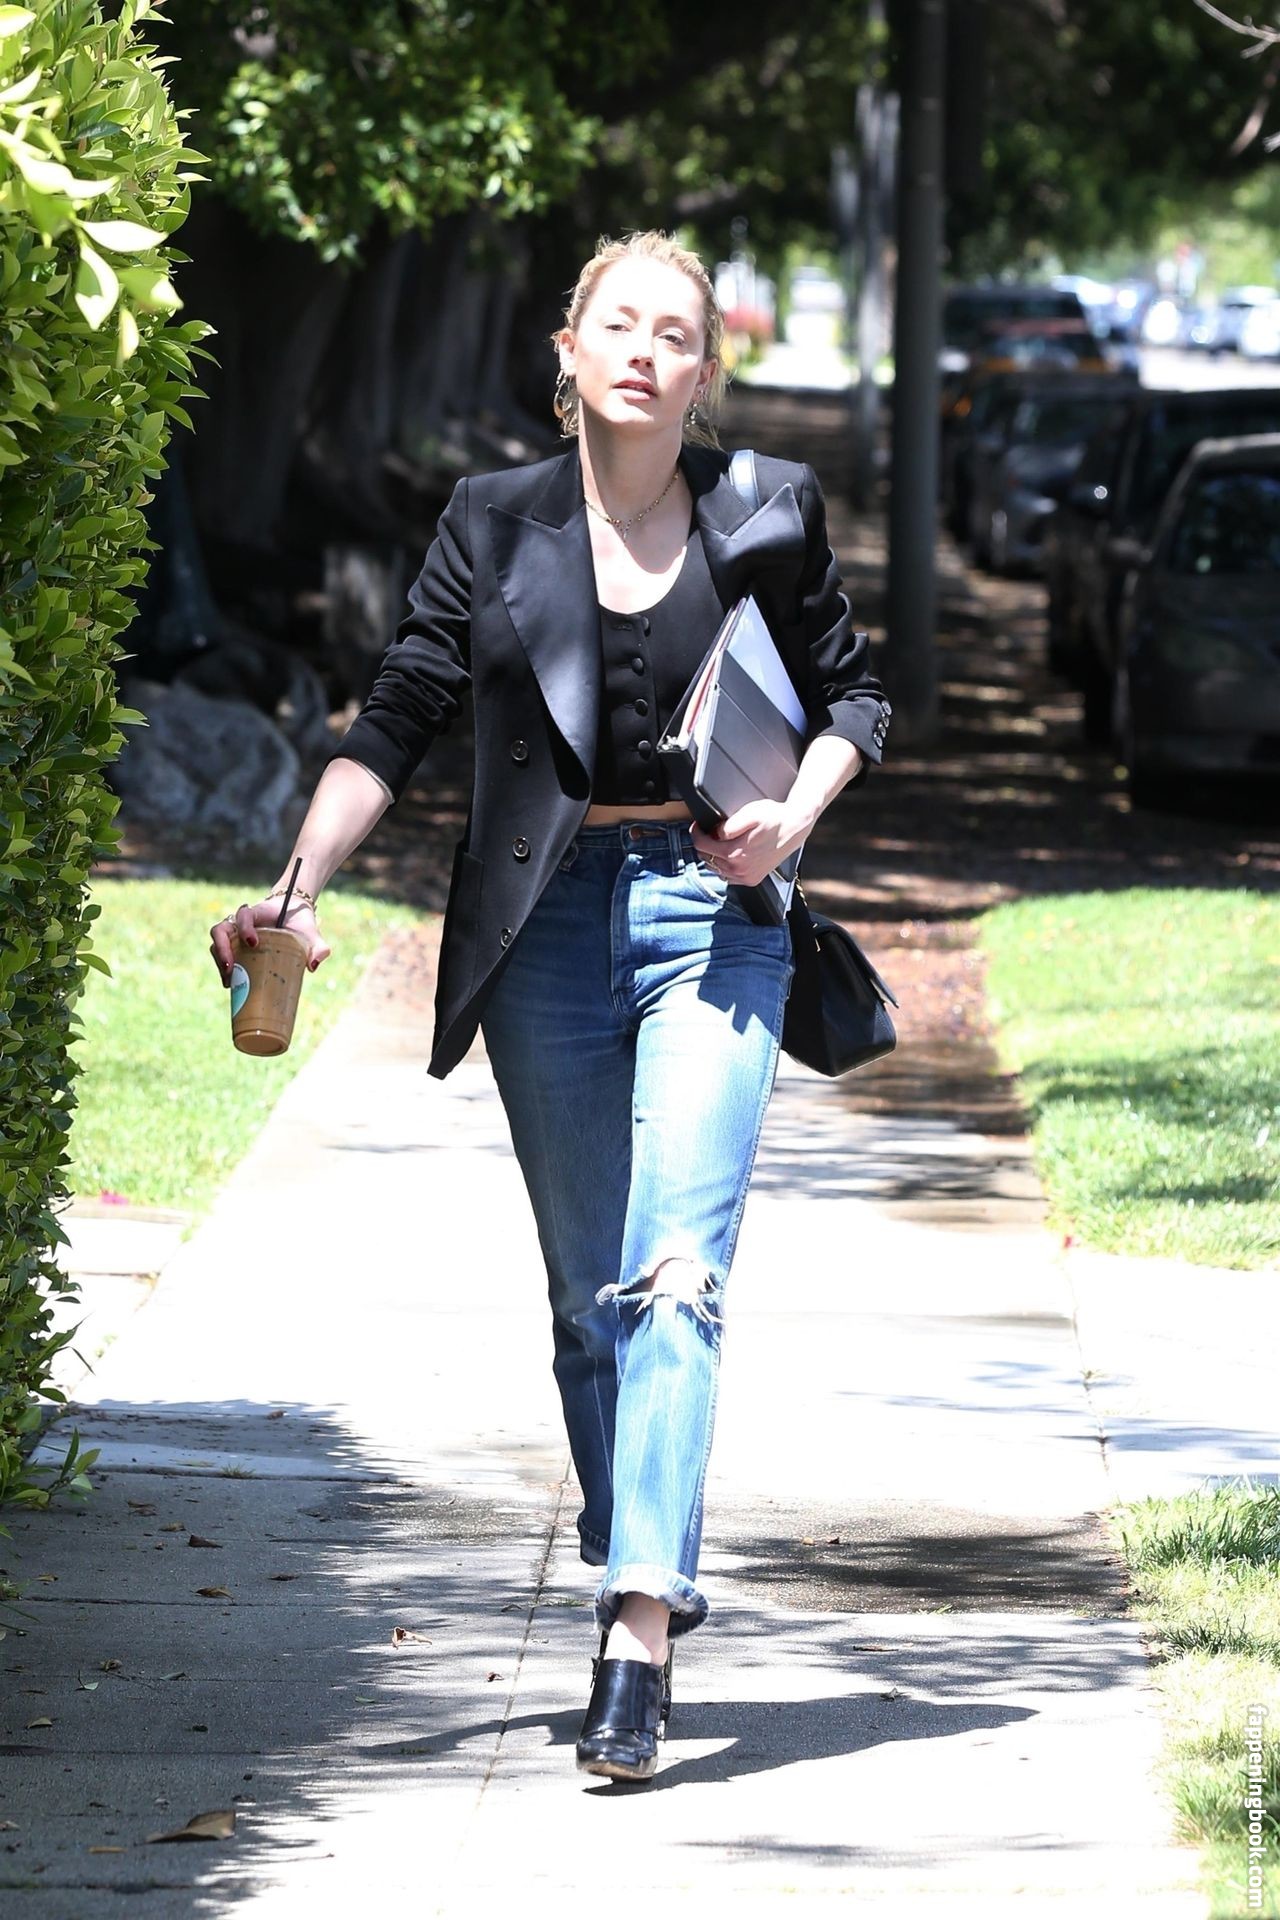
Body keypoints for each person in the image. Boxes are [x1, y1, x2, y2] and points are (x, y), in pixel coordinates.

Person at [208, 230, 890, 1784]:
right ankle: (631, 1533)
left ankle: (637, 1629)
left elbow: (854, 695)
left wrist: (796, 816)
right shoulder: (490, 518)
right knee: (593, 1297)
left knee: (675, 1274)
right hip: (545, 929)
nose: (647, 351)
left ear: (704, 375)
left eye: (677, 334)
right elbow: (396, 715)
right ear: (568, 350)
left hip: (714, 916)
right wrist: (296, 886)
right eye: (619, 325)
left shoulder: (765, 510)